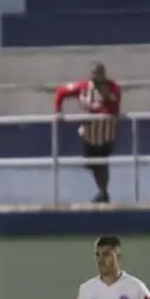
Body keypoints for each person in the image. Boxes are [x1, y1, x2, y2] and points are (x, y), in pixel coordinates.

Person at [55, 62, 121, 204]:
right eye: (94, 73)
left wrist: (104, 96)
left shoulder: (113, 87)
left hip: (106, 134)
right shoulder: (83, 87)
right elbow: (61, 91)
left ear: (104, 73)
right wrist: (58, 110)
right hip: (89, 134)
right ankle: (102, 192)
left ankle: (103, 193)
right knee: (92, 165)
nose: (96, 76)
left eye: (99, 73)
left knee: (102, 163)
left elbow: (113, 105)